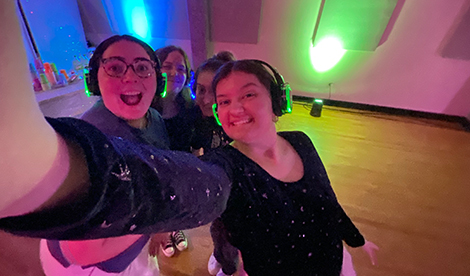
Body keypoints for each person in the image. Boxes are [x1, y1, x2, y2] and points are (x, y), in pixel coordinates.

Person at [0, 0, 229, 257]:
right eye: (115, 68)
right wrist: (156, 226)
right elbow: (80, 251)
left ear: (156, 80)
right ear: (94, 81)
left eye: (142, 68)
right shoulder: (88, 138)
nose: (130, 77)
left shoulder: (154, 117)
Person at [200, 59, 379, 276]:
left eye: (248, 95)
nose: (235, 108)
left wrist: (355, 239)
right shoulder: (223, 165)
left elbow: (328, 201)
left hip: (336, 265)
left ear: (276, 100)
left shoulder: (301, 141)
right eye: (225, 101)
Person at [150, 45, 196, 258]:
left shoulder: (188, 107)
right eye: (167, 66)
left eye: (181, 68)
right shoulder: (144, 107)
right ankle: (162, 231)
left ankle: (175, 227)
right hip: (153, 174)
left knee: (176, 202)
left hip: (179, 171)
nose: (175, 73)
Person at [191, 51, 235, 157]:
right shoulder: (195, 117)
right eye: (201, 90)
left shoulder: (239, 121)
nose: (206, 100)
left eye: (214, 91)